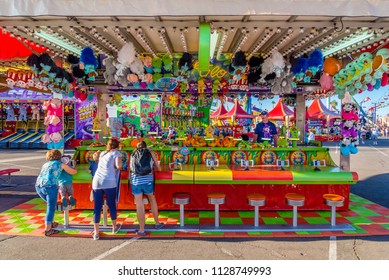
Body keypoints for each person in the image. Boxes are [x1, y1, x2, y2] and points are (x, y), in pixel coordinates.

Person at [35, 149, 77, 236]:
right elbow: (73, 172)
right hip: (50, 186)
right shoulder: (61, 164)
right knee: (51, 207)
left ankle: (51, 222)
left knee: (51, 205)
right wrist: (75, 166)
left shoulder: (45, 164)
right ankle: (48, 229)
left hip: (38, 186)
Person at [129, 140, 164, 236]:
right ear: (145, 146)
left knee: (139, 204)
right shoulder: (150, 152)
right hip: (147, 181)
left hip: (136, 181)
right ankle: (157, 223)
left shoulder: (133, 153)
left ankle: (141, 229)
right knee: (152, 199)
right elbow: (158, 168)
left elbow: (130, 169)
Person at [92, 138, 123, 240]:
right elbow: (119, 166)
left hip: (97, 181)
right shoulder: (116, 153)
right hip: (109, 181)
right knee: (111, 204)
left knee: (97, 207)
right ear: (117, 145)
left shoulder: (103, 153)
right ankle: (114, 227)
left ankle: (96, 232)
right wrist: (119, 167)